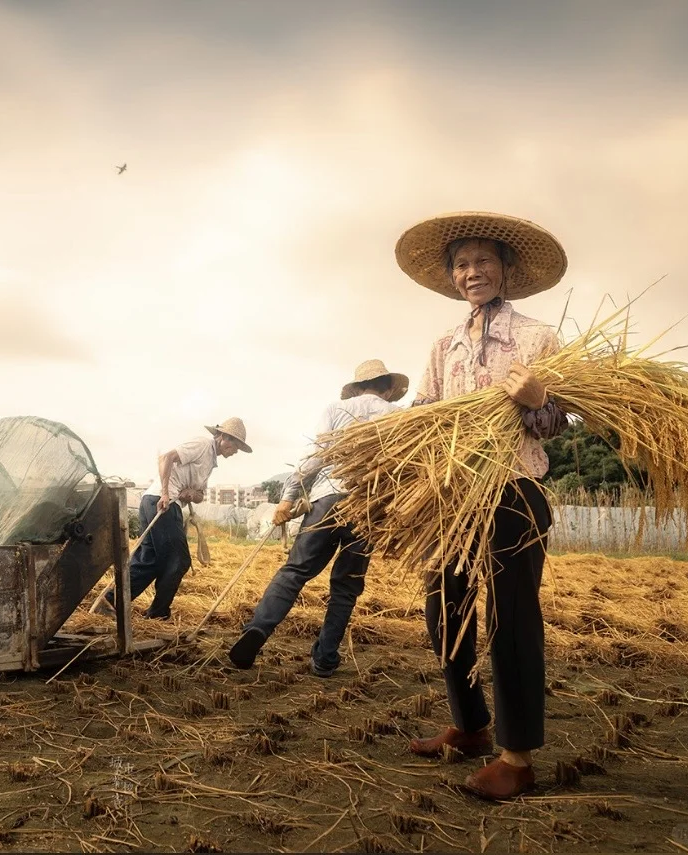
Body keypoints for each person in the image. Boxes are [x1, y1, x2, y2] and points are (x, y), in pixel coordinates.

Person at [397, 212, 570, 800]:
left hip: (514, 491)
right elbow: (423, 415)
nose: (473, 272)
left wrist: (537, 398)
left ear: (507, 270)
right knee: (444, 606)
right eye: (462, 264)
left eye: (484, 262)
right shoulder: (443, 346)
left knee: (510, 616)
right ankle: (470, 726)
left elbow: (557, 426)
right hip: (451, 498)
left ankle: (517, 755)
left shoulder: (537, 338)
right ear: (452, 277)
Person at [228, 360, 407, 675]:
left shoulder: (336, 409)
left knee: (295, 571)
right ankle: (325, 658)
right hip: (368, 508)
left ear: (356, 386)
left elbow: (315, 456)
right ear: (388, 388)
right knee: (346, 587)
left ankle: (257, 629)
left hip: (327, 499)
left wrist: (288, 497)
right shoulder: (397, 416)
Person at [97, 418, 251, 620]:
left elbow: (200, 495)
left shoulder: (211, 462)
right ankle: (158, 613)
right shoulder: (203, 445)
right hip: (163, 504)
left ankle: (110, 601)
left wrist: (190, 493)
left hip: (158, 502)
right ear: (224, 438)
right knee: (178, 560)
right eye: (236, 446)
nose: (235, 452)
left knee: (150, 560)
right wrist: (165, 493)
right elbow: (166, 458)